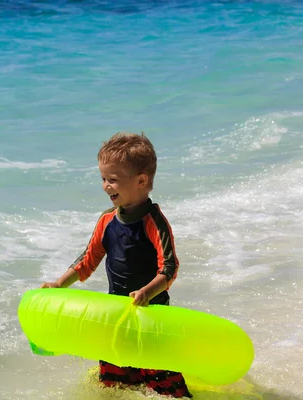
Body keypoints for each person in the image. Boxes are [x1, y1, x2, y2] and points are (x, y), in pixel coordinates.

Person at [40, 132, 192, 398]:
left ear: (141, 180)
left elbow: (169, 268)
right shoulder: (107, 220)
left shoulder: (154, 222)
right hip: (117, 313)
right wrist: (59, 284)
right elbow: (88, 259)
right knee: (116, 382)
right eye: (103, 179)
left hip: (151, 314)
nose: (106, 186)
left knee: (163, 382)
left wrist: (147, 292)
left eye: (113, 180)